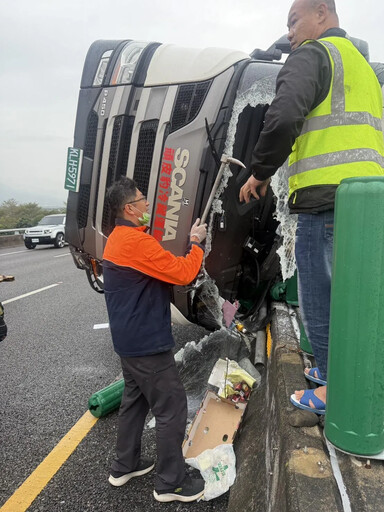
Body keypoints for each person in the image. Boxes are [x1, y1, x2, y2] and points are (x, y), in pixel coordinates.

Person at [240, 0, 384, 414]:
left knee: (320, 294)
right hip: (366, 200)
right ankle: (341, 371)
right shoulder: (360, 65)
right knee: (356, 295)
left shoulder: (313, 54)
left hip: (325, 199)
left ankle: (334, 386)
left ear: (322, 12)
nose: (289, 33)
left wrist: (261, 171)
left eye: (293, 21)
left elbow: (284, 117)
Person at [102, 176, 207, 502]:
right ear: (130, 207)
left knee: (134, 402)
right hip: (147, 342)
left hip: (127, 340)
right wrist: (197, 243)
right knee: (171, 407)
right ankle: (170, 483)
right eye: (143, 199)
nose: (148, 204)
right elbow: (183, 273)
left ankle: (125, 465)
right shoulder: (137, 243)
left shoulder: (118, 238)